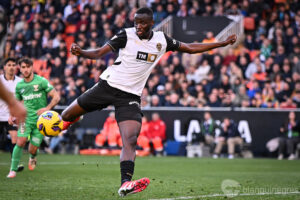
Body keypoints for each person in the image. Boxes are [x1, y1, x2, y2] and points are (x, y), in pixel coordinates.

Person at [63, 7, 236, 196]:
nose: (138, 26)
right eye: (136, 22)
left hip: (130, 96)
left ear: (151, 23)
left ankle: (125, 183)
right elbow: (99, 53)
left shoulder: (161, 40)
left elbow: (190, 47)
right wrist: (82, 52)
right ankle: (73, 119)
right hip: (107, 86)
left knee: (130, 139)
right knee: (66, 115)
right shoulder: (126, 35)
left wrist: (221, 44)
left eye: (142, 23)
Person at [7, 58, 60, 178]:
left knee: (32, 149)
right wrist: (12, 115)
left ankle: (32, 156)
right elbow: (17, 102)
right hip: (25, 119)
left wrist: (48, 108)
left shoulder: (41, 81)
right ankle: (13, 170)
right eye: (23, 67)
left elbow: (56, 96)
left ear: (32, 67)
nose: (25, 70)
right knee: (20, 141)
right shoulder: (19, 85)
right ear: (19, 69)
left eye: (27, 67)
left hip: (41, 121)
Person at [0, 58, 24, 171]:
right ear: (4, 67)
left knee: (15, 138)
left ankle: (15, 164)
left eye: (14, 65)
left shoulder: (20, 82)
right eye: (9, 65)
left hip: (11, 116)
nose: (11, 67)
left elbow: (23, 99)